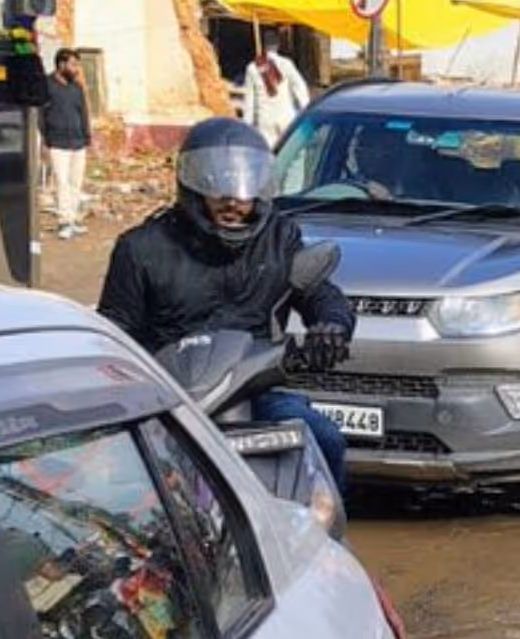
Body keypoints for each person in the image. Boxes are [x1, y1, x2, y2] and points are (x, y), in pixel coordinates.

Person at [97, 118, 355, 490]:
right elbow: (114, 332)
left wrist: (331, 327)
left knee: (325, 439)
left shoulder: (279, 237)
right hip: (170, 399)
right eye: (215, 183)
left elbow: (321, 296)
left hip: (255, 388)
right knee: (122, 476)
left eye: (243, 184)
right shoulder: (141, 248)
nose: (232, 199)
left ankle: (323, 539)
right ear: (191, 184)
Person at [43, 48, 91, 240]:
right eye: (73, 64)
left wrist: (87, 137)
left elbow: (83, 113)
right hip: (57, 143)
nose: (76, 69)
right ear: (61, 65)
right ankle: (64, 222)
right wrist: (44, 142)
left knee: (75, 183)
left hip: (78, 142)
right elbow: (40, 115)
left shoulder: (76, 88)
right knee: (62, 183)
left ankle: (74, 220)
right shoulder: (47, 86)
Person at [243, 31, 310, 147]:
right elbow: (300, 87)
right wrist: (305, 110)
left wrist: (247, 126)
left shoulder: (252, 68)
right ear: (278, 45)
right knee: (290, 155)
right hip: (286, 116)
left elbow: (249, 101)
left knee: (268, 157)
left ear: (263, 46)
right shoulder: (286, 64)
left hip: (265, 119)